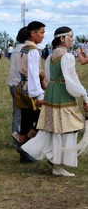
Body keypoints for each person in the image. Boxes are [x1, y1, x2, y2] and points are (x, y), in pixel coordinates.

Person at [20, 27, 88, 177]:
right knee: (65, 130)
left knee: (54, 129)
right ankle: (57, 164)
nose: (73, 39)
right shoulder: (67, 56)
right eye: (71, 36)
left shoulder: (51, 56)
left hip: (51, 95)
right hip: (63, 96)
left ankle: (53, 159)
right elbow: (72, 81)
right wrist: (85, 96)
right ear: (62, 38)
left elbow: (49, 76)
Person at [14, 21, 46, 155]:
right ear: (33, 34)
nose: (43, 36)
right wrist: (39, 95)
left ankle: (23, 149)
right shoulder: (32, 50)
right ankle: (28, 150)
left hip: (22, 87)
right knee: (41, 121)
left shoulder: (23, 48)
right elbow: (33, 74)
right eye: (42, 32)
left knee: (26, 119)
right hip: (31, 89)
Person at [6, 27, 27, 142]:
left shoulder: (15, 49)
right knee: (26, 112)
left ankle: (16, 134)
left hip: (13, 83)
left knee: (17, 110)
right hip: (21, 83)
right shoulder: (25, 49)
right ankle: (21, 136)